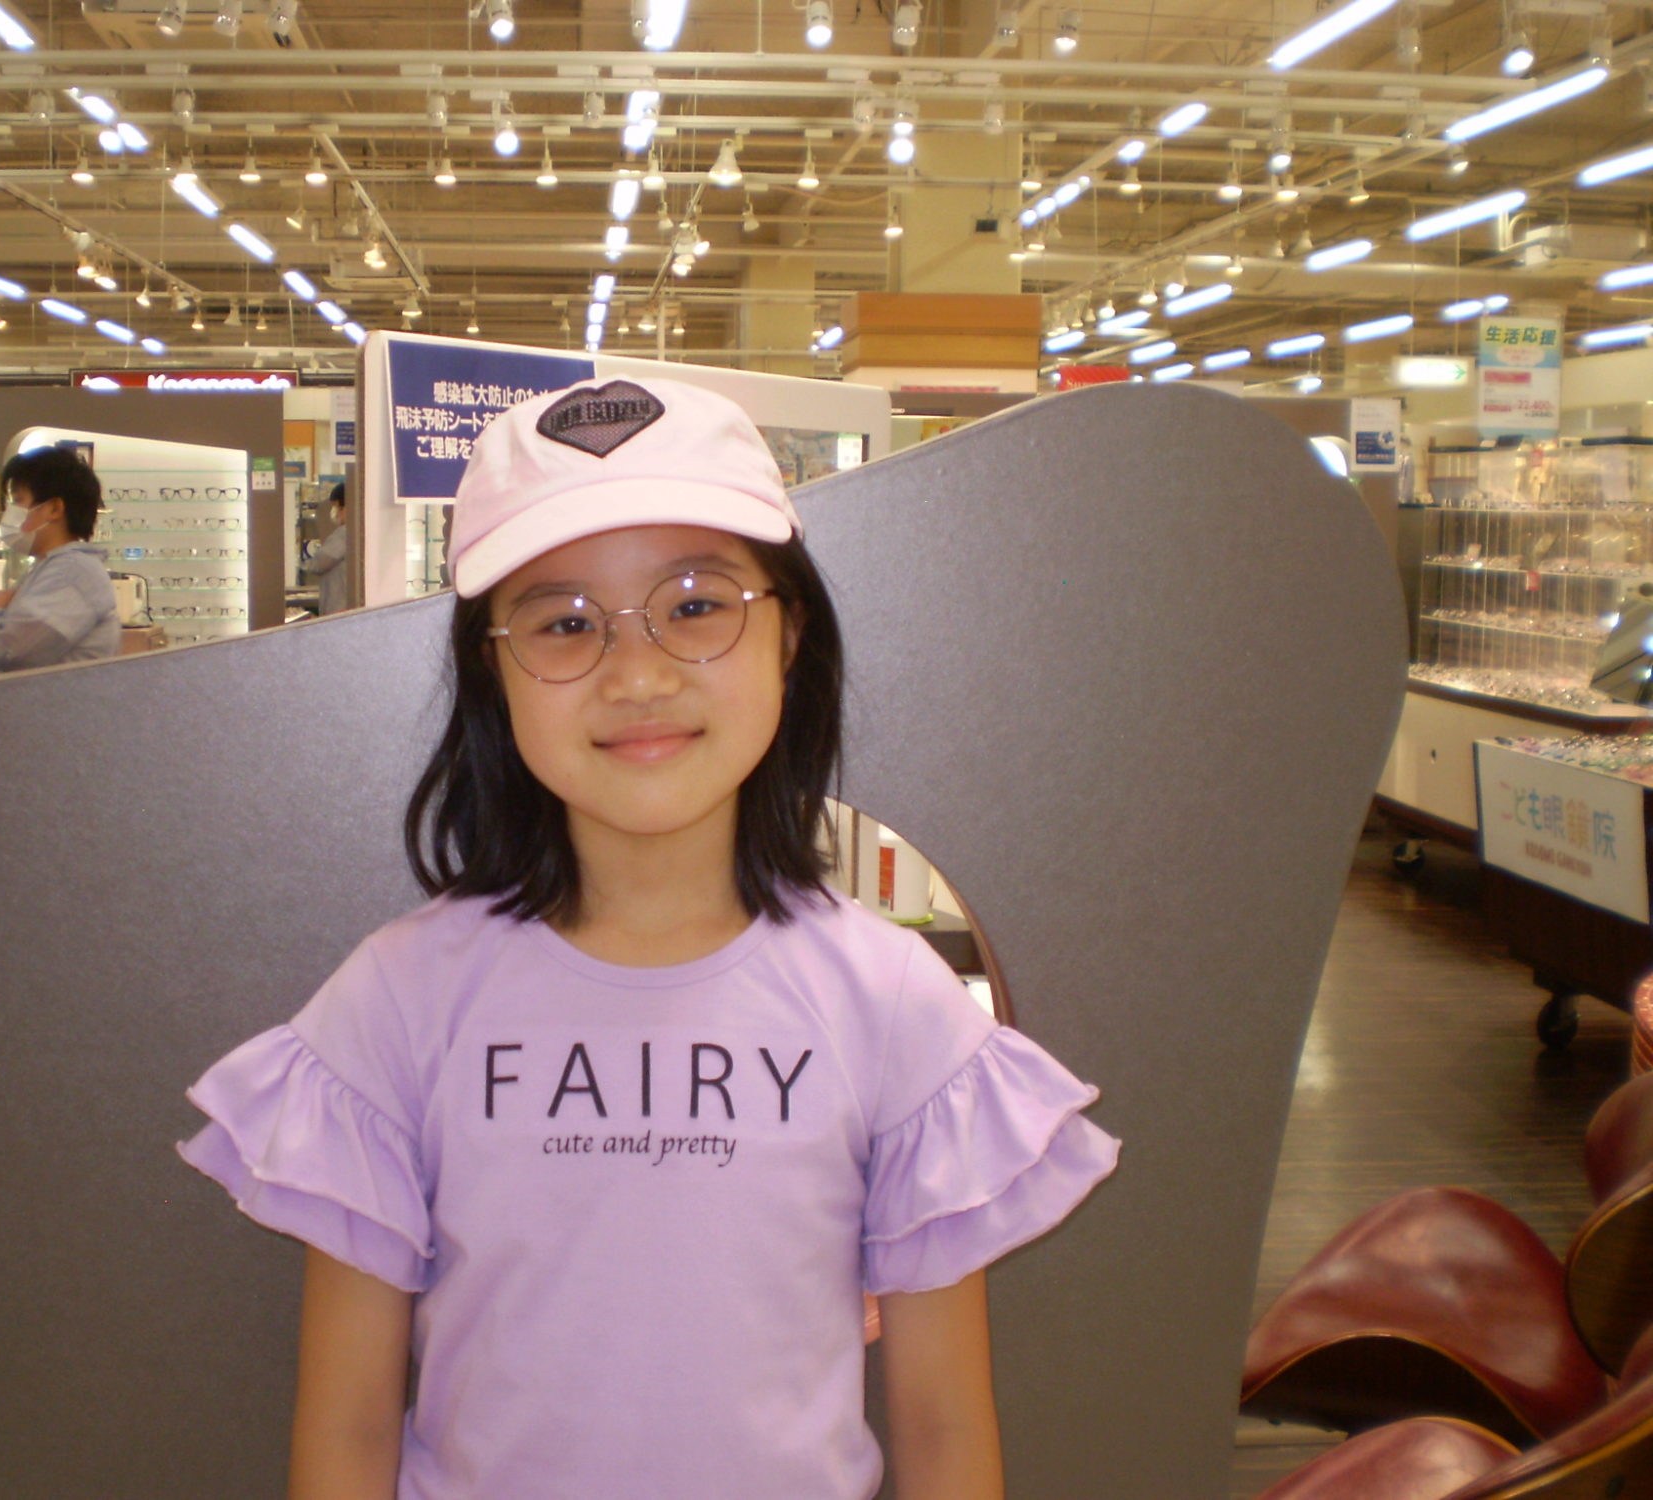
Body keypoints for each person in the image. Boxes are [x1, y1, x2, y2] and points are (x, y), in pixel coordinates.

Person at [178, 377, 1120, 1500]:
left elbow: (944, 1427)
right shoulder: (398, 999)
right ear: (492, 670)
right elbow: (345, 1431)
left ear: (789, 634)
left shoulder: (890, 1000)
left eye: (695, 605)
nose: (636, 674)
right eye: (566, 623)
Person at [0, 446, 122, 675]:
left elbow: (12, 651)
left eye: (18, 500)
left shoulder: (72, 573)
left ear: (54, 508)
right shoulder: (50, 568)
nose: (10, 512)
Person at [300, 483, 350, 615]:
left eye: (336, 507)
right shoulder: (361, 531)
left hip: (338, 609)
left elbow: (319, 563)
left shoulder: (344, 534)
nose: (334, 512)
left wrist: (306, 564)